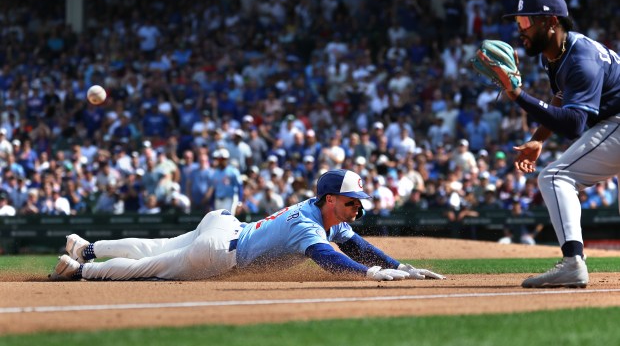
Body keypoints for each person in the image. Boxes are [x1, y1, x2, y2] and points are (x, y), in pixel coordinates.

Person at [49, 169, 445, 282]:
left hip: (224, 224)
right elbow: (328, 258)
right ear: (330, 200)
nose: (357, 207)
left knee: (155, 247)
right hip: (220, 252)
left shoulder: (326, 216)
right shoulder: (309, 225)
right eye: (351, 201)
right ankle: (82, 268)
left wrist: (398, 267)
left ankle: (86, 247)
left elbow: (358, 247)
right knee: (150, 266)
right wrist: (370, 275)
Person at [501, 0, 620, 288]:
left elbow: (573, 126)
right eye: (518, 22)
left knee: (555, 177)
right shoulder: (554, 54)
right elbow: (561, 98)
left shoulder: (581, 58)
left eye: (526, 21)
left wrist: (518, 95)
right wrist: (538, 138)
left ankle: (572, 263)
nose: (520, 29)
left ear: (551, 21)